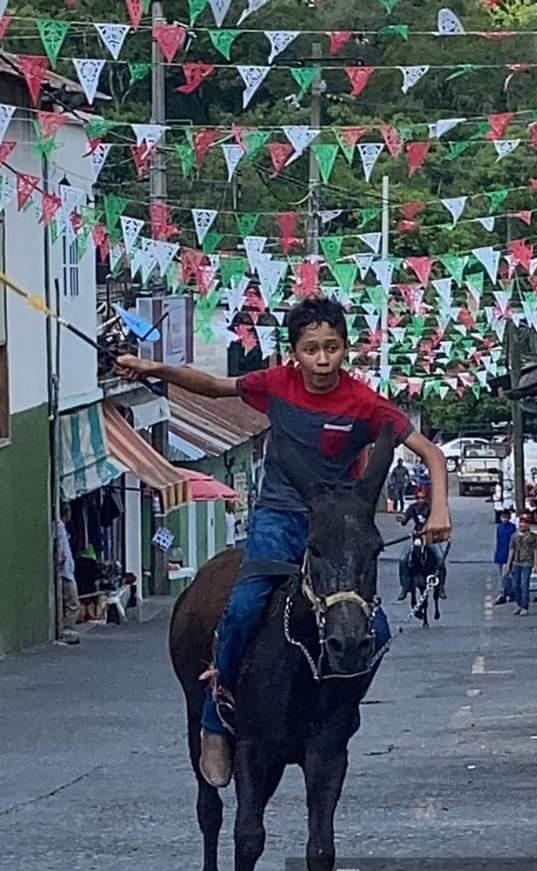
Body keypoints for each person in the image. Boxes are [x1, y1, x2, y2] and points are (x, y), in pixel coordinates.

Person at [118, 296, 452, 788]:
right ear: (293, 352)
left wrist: (441, 507)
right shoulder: (276, 384)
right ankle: (215, 723)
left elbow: (431, 454)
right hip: (278, 518)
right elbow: (213, 387)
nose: (322, 359)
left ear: (345, 350)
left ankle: (340, 707)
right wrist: (152, 367)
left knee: (374, 627)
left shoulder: (365, 403)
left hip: (336, 529)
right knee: (244, 608)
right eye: (312, 348)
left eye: (332, 348)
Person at [397, 486, 447, 600]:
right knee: (403, 559)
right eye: (418, 498)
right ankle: (404, 587)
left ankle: (441, 587)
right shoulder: (412, 508)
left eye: (422, 498)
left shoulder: (432, 509)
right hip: (417, 537)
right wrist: (401, 519)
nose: (420, 500)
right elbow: (405, 520)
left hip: (430, 538)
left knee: (440, 558)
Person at [54, 503, 80, 644]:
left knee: (69, 602)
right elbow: (61, 546)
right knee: (73, 603)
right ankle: (67, 630)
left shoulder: (61, 528)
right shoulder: (60, 527)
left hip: (67, 571)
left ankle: (66, 629)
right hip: (66, 572)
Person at [506, 514, 537, 616]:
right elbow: (511, 549)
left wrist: (536, 564)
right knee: (516, 585)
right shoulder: (514, 536)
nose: (522, 524)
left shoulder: (532, 537)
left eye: (525, 522)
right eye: (521, 522)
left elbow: (536, 550)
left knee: (524, 585)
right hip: (516, 562)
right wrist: (508, 564)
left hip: (527, 562)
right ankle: (519, 604)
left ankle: (525, 606)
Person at [493, 508, 516, 605]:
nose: (504, 519)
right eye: (503, 517)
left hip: (509, 554)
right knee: (503, 576)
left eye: (506, 517)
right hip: (500, 554)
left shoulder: (512, 528)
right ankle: (507, 593)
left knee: (506, 575)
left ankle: (506, 593)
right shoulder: (499, 527)